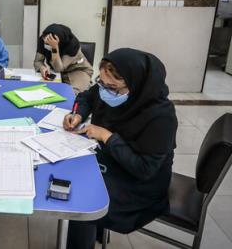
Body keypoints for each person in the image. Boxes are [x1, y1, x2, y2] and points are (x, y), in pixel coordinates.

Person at [63, 48, 178, 249]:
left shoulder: (161, 117)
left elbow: (145, 169)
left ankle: (86, 236)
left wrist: (106, 136)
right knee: (72, 174)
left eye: (114, 88)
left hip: (138, 186)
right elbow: (87, 97)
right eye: (102, 83)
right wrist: (78, 115)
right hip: (113, 162)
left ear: (136, 85)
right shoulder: (108, 90)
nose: (106, 91)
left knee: (83, 200)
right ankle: (93, 232)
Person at [34, 24, 93, 94]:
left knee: (72, 94)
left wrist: (54, 48)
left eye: (49, 43)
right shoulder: (43, 39)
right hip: (58, 73)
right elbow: (38, 61)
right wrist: (42, 68)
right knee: (45, 92)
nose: (46, 45)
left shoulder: (72, 45)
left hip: (78, 71)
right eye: (45, 42)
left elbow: (58, 68)